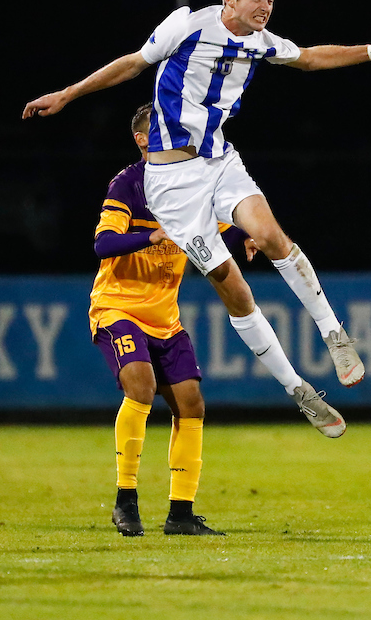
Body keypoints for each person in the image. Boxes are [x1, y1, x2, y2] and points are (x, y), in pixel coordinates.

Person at [24, 0, 371, 425]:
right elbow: (131, 64)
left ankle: (334, 333)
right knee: (235, 290)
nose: (265, 6)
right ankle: (298, 388)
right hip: (171, 186)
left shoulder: (262, 43)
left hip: (220, 162)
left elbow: (310, 58)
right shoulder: (188, 26)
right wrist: (67, 94)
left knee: (272, 237)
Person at [94, 103, 264, 537]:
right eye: (162, 128)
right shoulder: (128, 183)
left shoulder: (190, 182)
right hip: (119, 307)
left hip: (165, 318)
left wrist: (247, 236)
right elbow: (104, 244)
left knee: (191, 404)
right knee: (142, 386)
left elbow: (222, 223)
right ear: (142, 139)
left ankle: (181, 514)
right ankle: (125, 500)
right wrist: (151, 234)